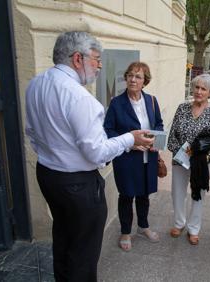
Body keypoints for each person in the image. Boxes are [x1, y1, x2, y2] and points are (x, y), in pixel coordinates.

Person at [25, 31, 153, 282]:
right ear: (77, 59)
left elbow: (30, 132)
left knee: (63, 238)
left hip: (48, 175)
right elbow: (97, 153)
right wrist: (130, 139)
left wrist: (54, 153)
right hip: (78, 185)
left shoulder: (36, 83)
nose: (99, 65)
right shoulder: (81, 98)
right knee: (84, 250)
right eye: (95, 59)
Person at [104, 62, 163, 252]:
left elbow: (159, 125)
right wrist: (130, 143)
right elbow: (108, 130)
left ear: (145, 81)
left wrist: (155, 140)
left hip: (148, 158)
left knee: (144, 194)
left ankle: (143, 226)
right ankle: (125, 232)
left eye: (137, 76)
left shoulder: (152, 101)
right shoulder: (116, 103)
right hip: (127, 158)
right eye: (129, 75)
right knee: (127, 195)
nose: (132, 79)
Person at [167, 73, 210, 245]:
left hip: (202, 160)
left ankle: (194, 229)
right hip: (180, 158)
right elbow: (173, 135)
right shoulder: (182, 108)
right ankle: (179, 223)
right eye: (197, 87)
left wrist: (208, 156)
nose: (199, 91)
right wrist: (181, 152)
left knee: (198, 194)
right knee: (177, 192)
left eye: (203, 89)